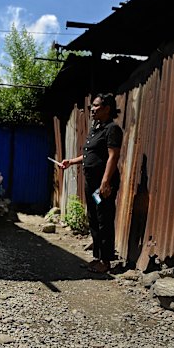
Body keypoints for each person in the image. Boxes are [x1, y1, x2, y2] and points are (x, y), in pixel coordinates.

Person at [61, 93, 123, 273]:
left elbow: (113, 156)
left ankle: (106, 261)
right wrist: (71, 161)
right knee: (94, 218)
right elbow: (90, 155)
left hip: (103, 185)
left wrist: (105, 182)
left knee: (104, 218)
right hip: (92, 183)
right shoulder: (96, 128)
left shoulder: (112, 129)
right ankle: (97, 257)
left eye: (95, 106)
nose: (92, 110)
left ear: (106, 109)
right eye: (91, 107)